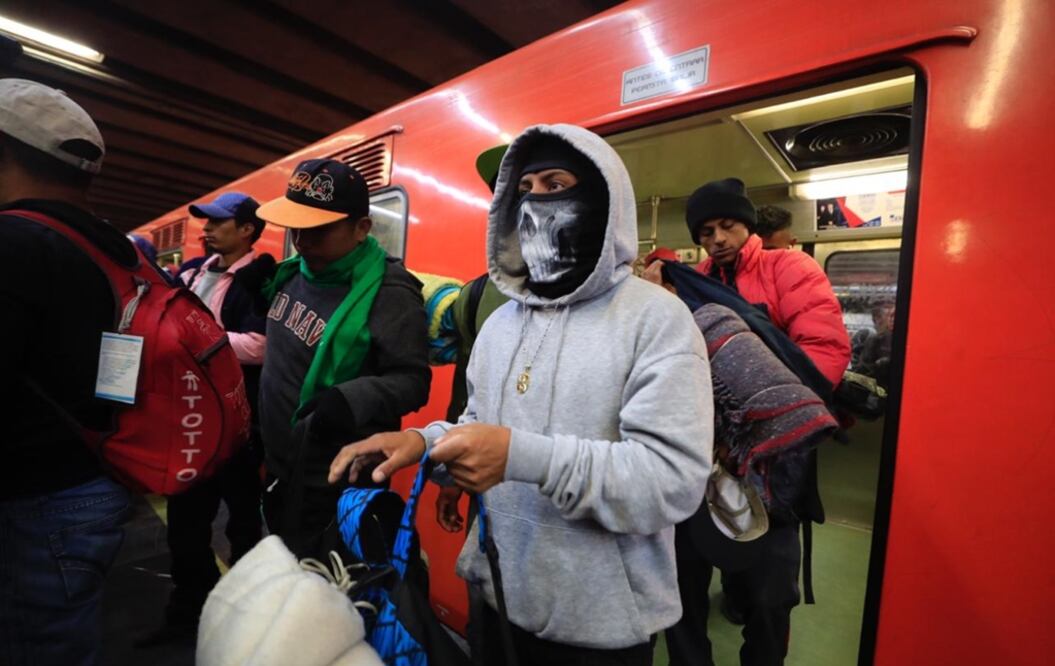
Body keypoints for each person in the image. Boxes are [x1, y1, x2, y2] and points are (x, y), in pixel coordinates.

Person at [330, 124, 714, 664]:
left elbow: (670, 481)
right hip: (494, 596)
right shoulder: (502, 323)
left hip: (600, 626)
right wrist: (425, 442)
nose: (535, 202)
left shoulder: (658, 321)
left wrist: (519, 455)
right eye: (525, 189)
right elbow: (479, 422)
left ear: (602, 201)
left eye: (555, 183)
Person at [646, 177, 850, 665]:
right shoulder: (690, 282)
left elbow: (824, 356)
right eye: (706, 231)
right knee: (682, 584)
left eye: (727, 225)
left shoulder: (789, 268)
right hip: (704, 453)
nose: (717, 239)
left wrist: (757, 417)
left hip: (772, 461)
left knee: (770, 594)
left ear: (747, 223)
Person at [0, 78, 133, 665]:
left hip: (32, 495)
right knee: (62, 638)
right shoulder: (119, 249)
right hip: (98, 477)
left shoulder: (14, 243)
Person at [254, 159, 430, 555]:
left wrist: (350, 398)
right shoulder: (294, 273)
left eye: (318, 230)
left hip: (334, 481)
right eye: (296, 228)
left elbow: (414, 381)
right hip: (281, 467)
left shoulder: (390, 292)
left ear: (361, 228)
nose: (302, 241)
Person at [137, 192, 273, 646]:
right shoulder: (193, 273)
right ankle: (188, 616)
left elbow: (260, 344)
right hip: (191, 424)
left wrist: (197, 343)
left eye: (217, 223)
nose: (206, 230)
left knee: (243, 526)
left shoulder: (259, 278)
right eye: (205, 223)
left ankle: (250, 618)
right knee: (186, 528)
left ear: (247, 230)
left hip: (238, 427)